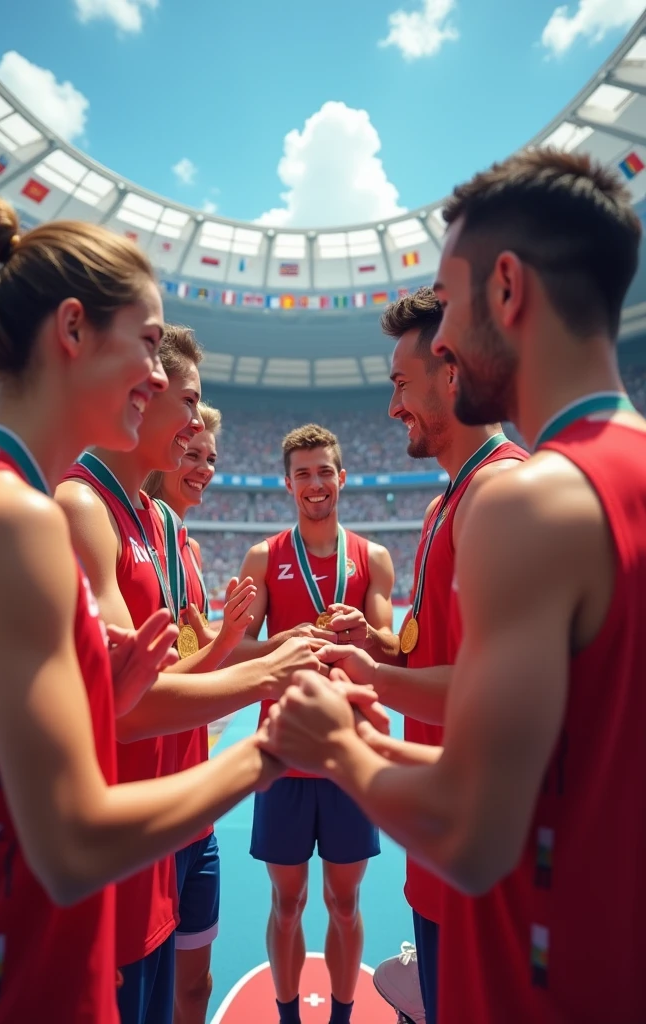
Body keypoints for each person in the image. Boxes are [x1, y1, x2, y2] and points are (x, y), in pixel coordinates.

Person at [263, 148, 646, 1023]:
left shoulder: (529, 499)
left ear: (505, 289)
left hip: (526, 970)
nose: (440, 342)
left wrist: (338, 747)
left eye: (448, 304)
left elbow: (475, 838)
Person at [0, 194, 283, 1024]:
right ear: (72, 330)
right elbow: (69, 848)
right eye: (145, 344)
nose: (156, 373)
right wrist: (271, 751)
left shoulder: (2, 500)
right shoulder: (18, 517)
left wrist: (118, 691)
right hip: (25, 980)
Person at [56, 341, 323, 1024]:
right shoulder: (80, 506)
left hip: (168, 817)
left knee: (179, 996)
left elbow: (172, 670)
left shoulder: (161, 524)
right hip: (120, 832)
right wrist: (266, 673)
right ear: (137, 397)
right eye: (190, 403)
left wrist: (250, 649)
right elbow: (124, 705)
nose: (198, 428)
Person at [322, 287, 527, 1024]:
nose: (391, 409)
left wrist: (369, 683)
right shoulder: (448, 502)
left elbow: (497, 695)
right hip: (440, 856)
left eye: (400, 385)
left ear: (452, 372)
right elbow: (443, 645)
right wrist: (380, 646)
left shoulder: (500, 493)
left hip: (482, 868)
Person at [239, 424, 395, 1024]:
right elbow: (234, 653)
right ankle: (287, 1018)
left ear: (342, 478)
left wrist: (368, 632)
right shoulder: (265, 557)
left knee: (345, 903)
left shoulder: (371, 558)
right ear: (287, 484)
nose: (314, 484)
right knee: (287, 902)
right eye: (302, 473)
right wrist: (283, 643)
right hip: (281, 754)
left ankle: (341, 1017)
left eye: (323, 471)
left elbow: (387, 651)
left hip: (348, 756)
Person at [144, 402, 224, 1024]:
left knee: (192, 986)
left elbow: (197, 664)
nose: (202, 468)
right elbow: (147, 690)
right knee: (146, 994)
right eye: (192, 453)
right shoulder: (129, 536)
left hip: (195, 808)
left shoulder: (187, 552)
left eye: (210, 458)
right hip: (150, 812)